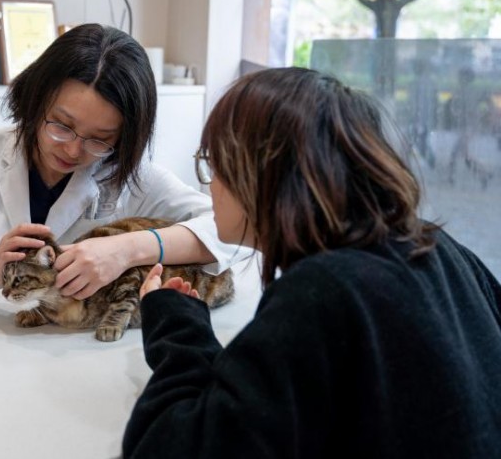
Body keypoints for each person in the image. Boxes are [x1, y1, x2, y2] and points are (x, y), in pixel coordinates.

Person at [123, 67, 501, 457]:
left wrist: (174, 328)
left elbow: (167, 447)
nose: (210, 183)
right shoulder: (434, 245)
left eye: (216, 164)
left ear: (260, 173)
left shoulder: (324, 291)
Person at [0, 23, 244, 307]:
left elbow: (230, 231)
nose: (74, 150)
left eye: (100, 138)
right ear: (36, 100)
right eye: (61, 125)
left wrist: (125, 249)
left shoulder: (131, 177)